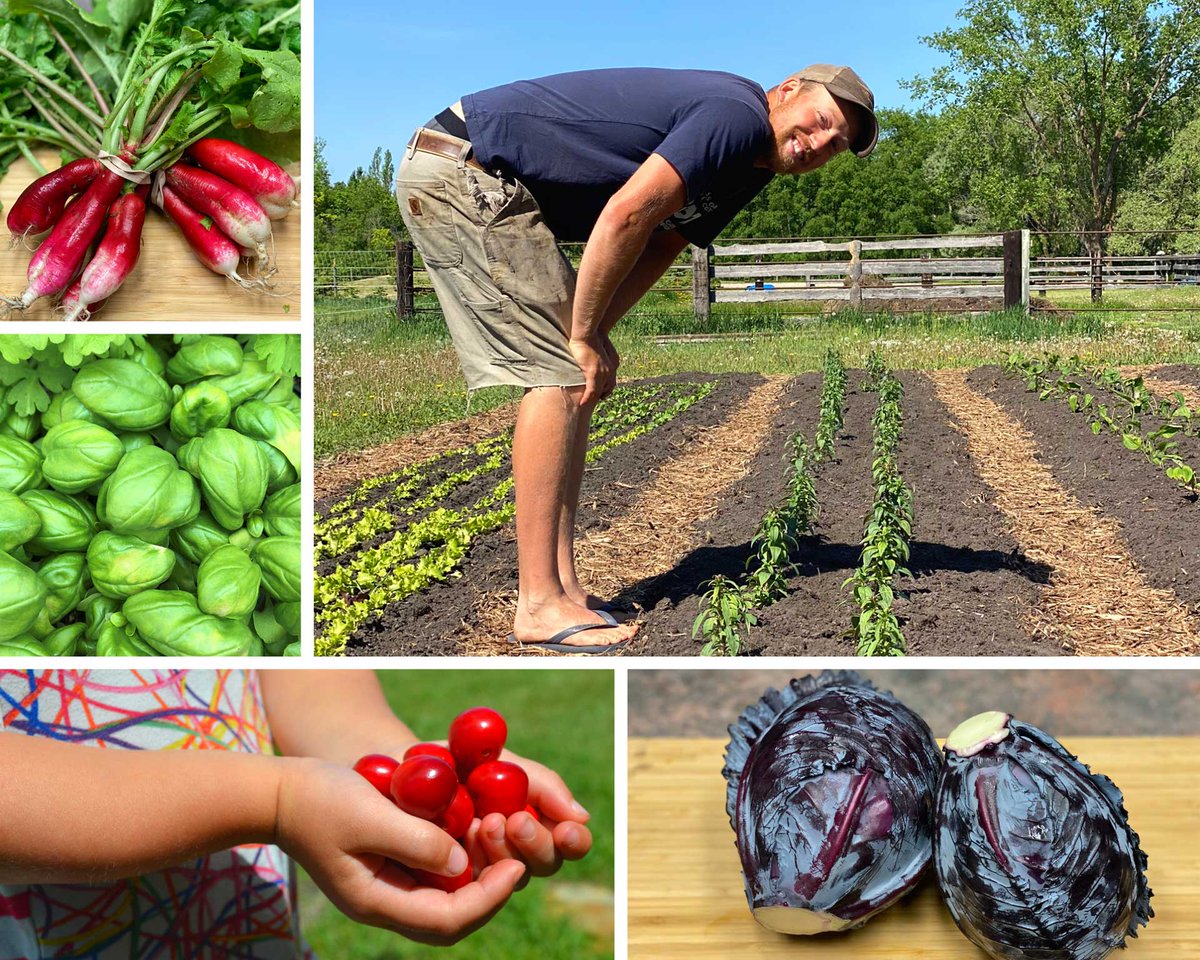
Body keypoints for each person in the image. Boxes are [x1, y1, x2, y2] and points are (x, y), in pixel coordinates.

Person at [398, 65, 878, 653]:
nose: (820, 145)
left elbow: (662, 241)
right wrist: (580, 335)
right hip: (466, 166)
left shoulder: (750, 168)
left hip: (486, 175)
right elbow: (625, 213)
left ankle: (564, 589)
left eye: (836, 146)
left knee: (576, 376)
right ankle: (539, 603)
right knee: (557, 376)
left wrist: (595, 332)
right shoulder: (736, 116)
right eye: (822, 122)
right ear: (787, 92)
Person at [0, 669, 593, 955]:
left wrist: (392, 772)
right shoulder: (276, 799)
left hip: (243, 931)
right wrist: (278, 802)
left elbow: (306, 678)